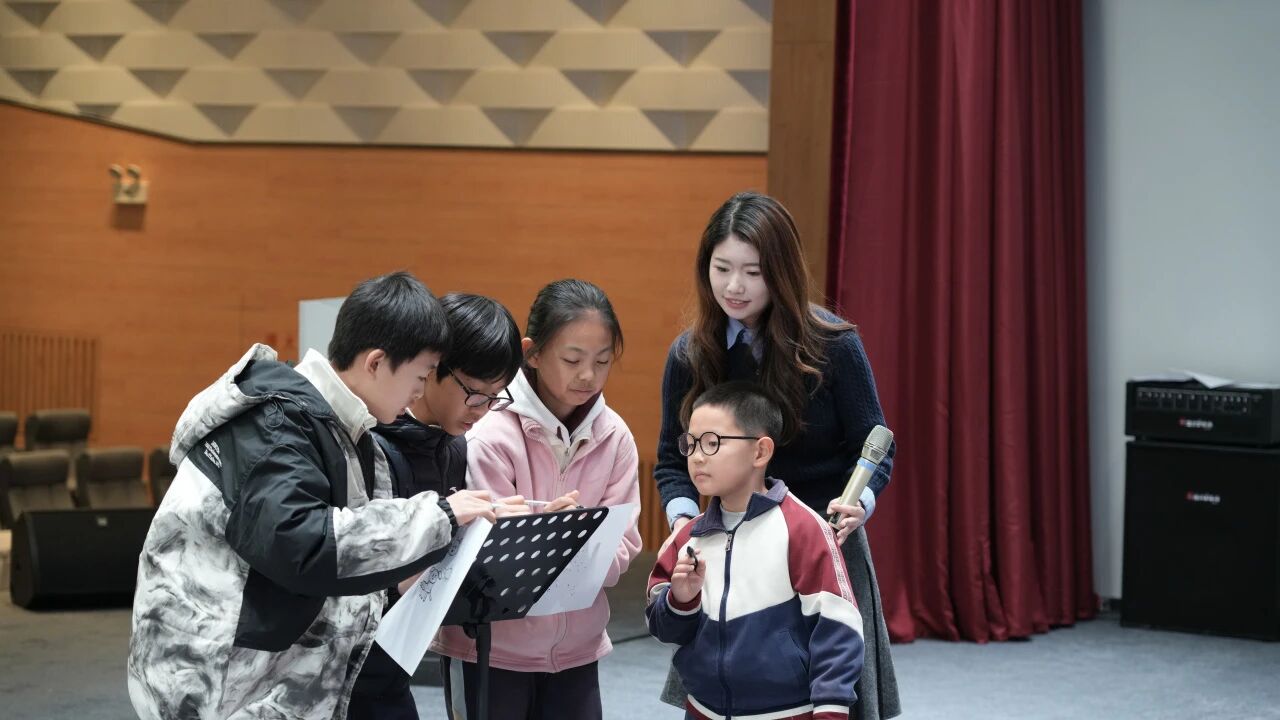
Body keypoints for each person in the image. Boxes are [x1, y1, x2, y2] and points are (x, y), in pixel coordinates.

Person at [128, 272, 497, 720]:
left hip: (261, 672)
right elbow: (303, 545)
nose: (420, 392)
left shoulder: (339, 426)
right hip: (213, 680)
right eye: (419, 376)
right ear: (376, 362)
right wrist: (439, 517)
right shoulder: (275, 424)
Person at [655, 192, 901, 719]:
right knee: (727, 695)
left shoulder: (832, 344)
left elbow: (875, 442)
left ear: (781, 271)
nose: (734, 286)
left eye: (753, 272)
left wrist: (861, 502)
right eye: (722, 268)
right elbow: (671, 464)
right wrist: (685, 528)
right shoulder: (690, 354)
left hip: (822, 543)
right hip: (729, 546)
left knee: (832, 694)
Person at [433, 278, 643, 720]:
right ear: (531, 352)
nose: (588, 375)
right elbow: (486, 557)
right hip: (489, 650)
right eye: (572, 359)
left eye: (602, 361)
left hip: (577, 651)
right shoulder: (489, 429)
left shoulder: (615, 437)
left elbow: (622, 547)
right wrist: (564, 539)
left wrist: (573, 541)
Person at [349, 293, 527, 720]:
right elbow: (350, 566)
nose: (483, 411)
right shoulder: (369, 444)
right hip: (344, 667)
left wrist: (499, 533)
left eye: (496, 397)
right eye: (475, 394)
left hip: (394, 666)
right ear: (431, 368)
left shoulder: (453, 446)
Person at [647, 381, 864, 720]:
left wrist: (830, 712)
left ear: (760, 452)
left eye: (712, 443)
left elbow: (838, 630)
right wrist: (681, 600)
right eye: (691, 443)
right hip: (702, 711)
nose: (698, 456)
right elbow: (663, 630)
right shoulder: (689, 536)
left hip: (787, 713)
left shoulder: (802, 529)